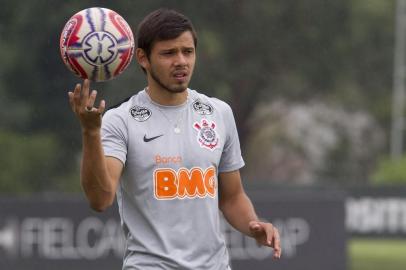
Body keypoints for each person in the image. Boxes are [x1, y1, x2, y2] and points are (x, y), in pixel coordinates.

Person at [68, 8, 281, 270]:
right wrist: (90, 133)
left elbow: (232, 197)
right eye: (169, 53)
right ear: (143, 58)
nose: (181, 61)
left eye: (187, 52)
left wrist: (253, 225)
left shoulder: (219, 113)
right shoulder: (120, 120)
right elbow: (100, 200)